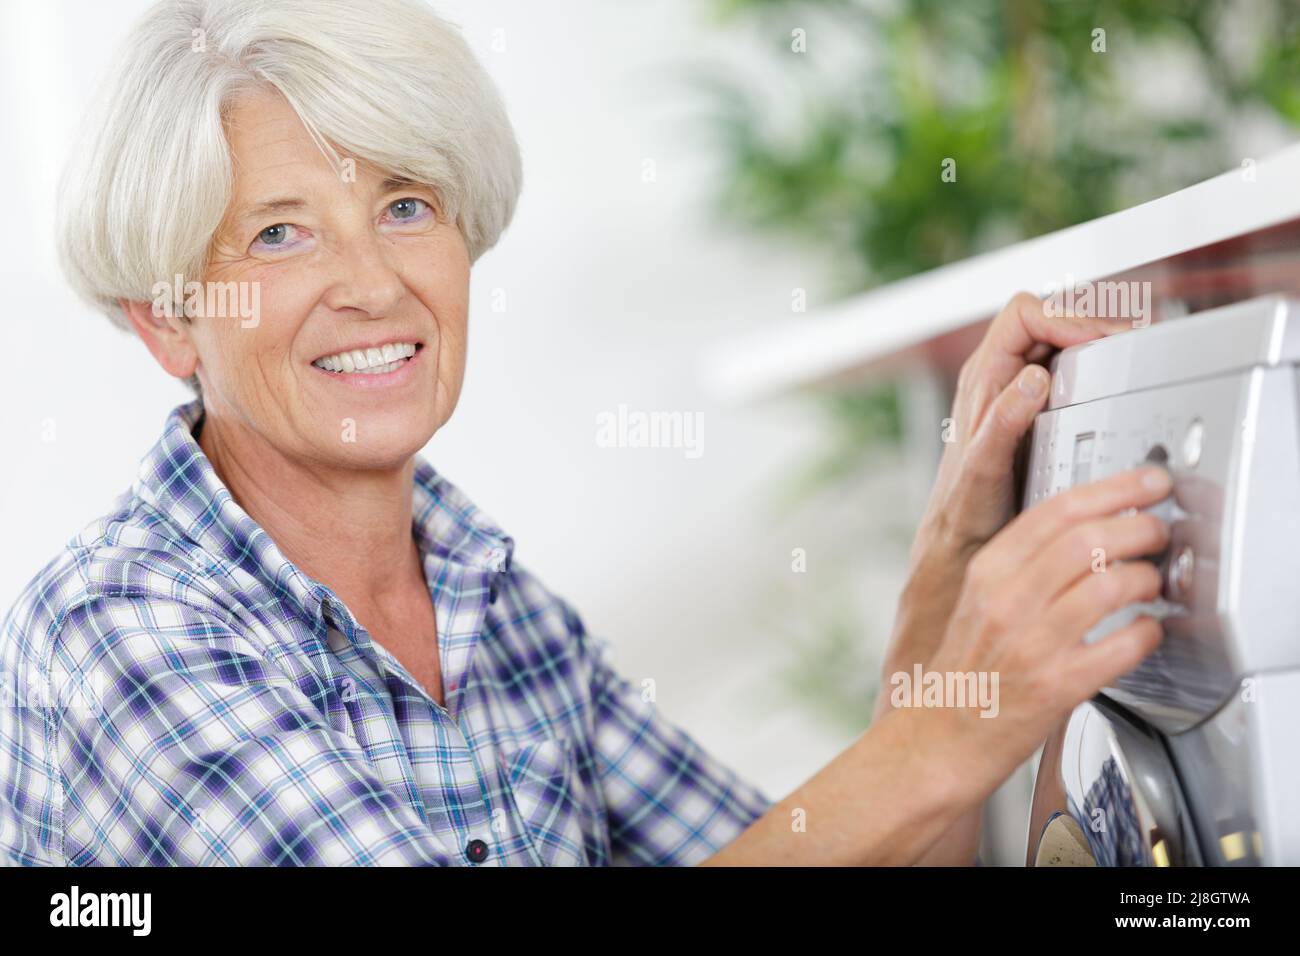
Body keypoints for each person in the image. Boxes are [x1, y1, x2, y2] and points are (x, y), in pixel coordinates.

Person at [0, 0, 1170, 866]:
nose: (371, 284)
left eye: (406, 206)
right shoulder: (120, 627)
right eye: (279, 235)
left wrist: (942, 586)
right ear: (169, 320)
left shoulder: (496, 608)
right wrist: (950, 724)